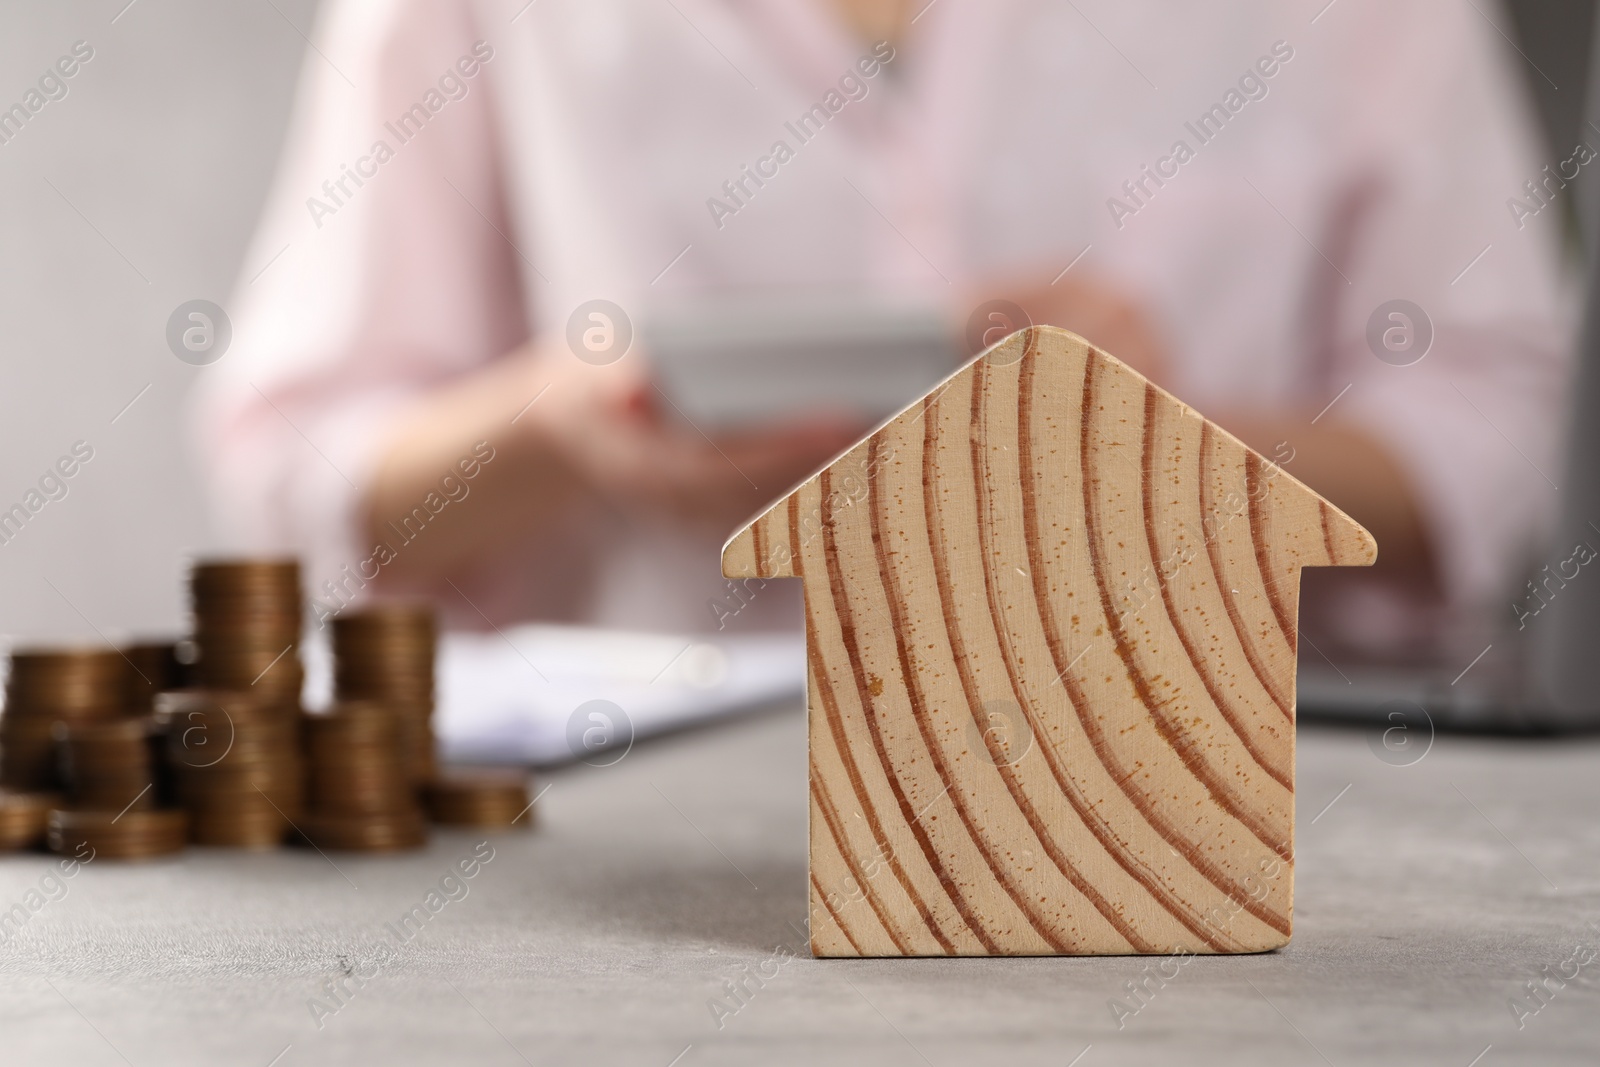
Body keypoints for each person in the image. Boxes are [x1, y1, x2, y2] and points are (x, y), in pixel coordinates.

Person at [195, 0, 1571, 663]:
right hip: (637, 859)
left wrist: (1162, 447)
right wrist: (557, 427)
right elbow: (296, 472)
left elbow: (1493, 443)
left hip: (1203, 822)